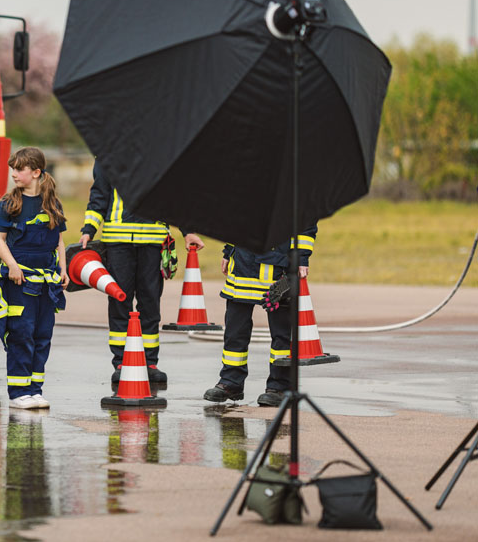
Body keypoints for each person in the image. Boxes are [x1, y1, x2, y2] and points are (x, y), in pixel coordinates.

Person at [80, 159, 204, 384]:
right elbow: (99, 196)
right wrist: (88, 229)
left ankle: (150, 362)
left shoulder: (160, 156)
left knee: (150, 302)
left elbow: (174, 200)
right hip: (117, 243)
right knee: (120, 302)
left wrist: (188, 232)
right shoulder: (107, 157)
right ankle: (121, 361)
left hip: (153, 243)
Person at [204, 226, 318, 407]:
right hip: (241, 266)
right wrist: (228, 251)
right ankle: (230, 382)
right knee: (234, 331)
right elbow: (236, 217)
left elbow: (306, 219)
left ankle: (279, 387)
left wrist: (301, 258)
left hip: (279, 270)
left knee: (281, 335)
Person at [0, 147, 66, 410]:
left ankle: (35, 390)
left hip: (46, 282)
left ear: (36, 172)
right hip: (20, 281)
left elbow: (59, 241)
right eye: (12, 168)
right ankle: (18, 392)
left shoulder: (52, 203)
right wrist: (12, 265)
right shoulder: (8, 204)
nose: (13, 174)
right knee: (21, 334)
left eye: (19, 169)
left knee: (43, 334)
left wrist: (63, 271)